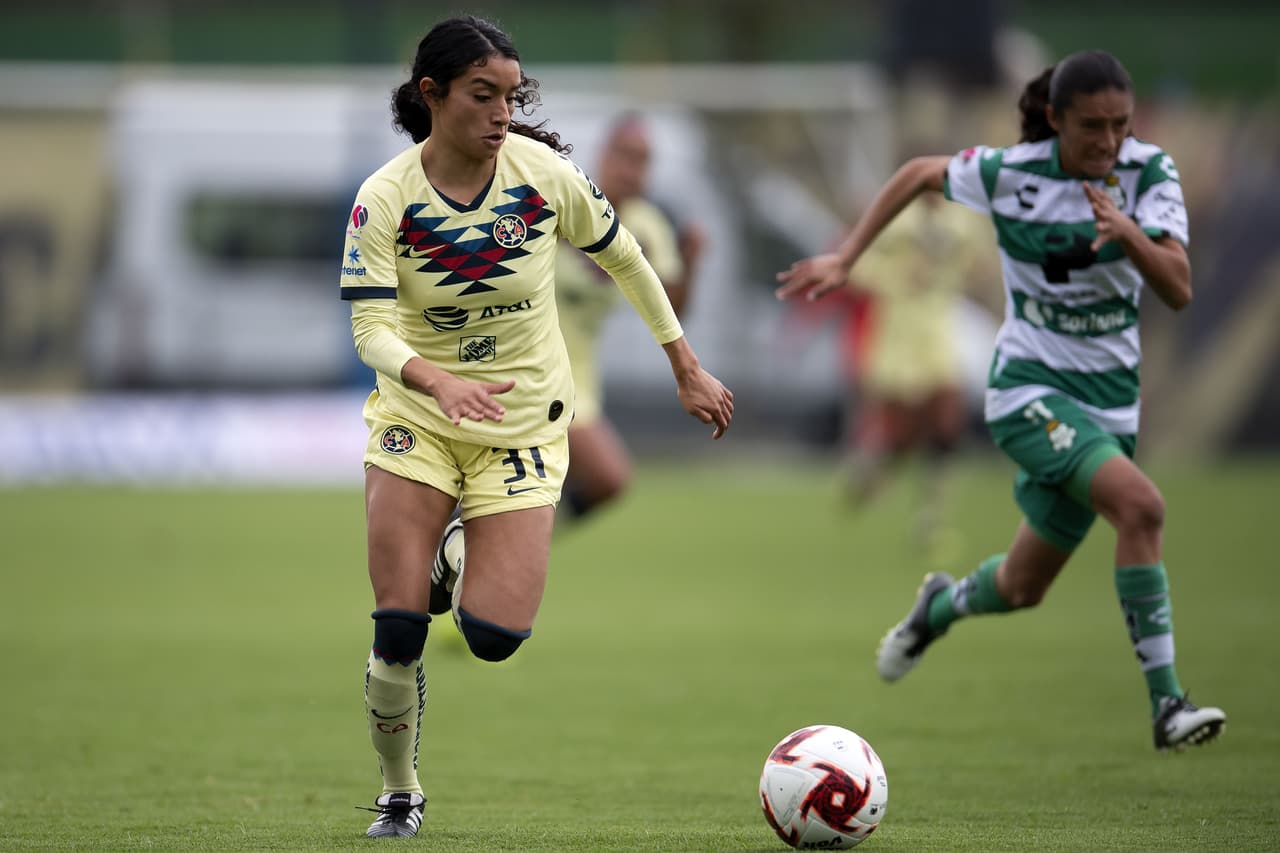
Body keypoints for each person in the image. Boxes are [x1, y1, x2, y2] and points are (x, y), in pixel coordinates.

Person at [339, 16, 733, 838]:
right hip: (419, 416)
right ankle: (400, 790)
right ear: (432, 96)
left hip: (522, 424)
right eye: (483, 96)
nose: (500, 115)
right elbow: (372, 331)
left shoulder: (542, 174)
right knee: (400, 623)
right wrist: (435, 377)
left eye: (511, 97)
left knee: (493, 635)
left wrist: (684, 363)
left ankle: (458, 551)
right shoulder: (385, 198)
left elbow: (626, 255)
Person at [775, 50, 1225, 752]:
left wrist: (1130, 232)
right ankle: (1169, 704)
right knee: (1142, 506)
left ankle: (939, 606)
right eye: (1091, 128)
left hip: (1108, 408)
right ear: (1054, 121)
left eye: (1120, 126)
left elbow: (1178, 287)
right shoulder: (1011, 175)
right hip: (1027, 393)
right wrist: (849, 255)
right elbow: (921, 171)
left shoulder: (1149, 173)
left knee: (1021, 585)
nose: (1108, 143)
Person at [555, 112, 706, 521]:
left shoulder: (645, 226)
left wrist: (691, 263)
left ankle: (487, 545)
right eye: (625, 155)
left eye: (643, 161)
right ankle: (493, 545)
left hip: (581, 380)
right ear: (602, 155)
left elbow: (672, 308)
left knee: (603, 481)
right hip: (532, 369)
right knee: (607, 474)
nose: (632, 170)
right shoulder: (566, 203)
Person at [837, 192, 996, 557]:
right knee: (902, 437)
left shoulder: (961, 222)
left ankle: (932, 519)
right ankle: (869, 474)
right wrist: (897, 275)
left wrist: (977, 273)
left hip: (939, 335)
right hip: (897, 336)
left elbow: (978, 263)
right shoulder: (892, 220)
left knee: (946, 426)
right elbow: (855, 267)